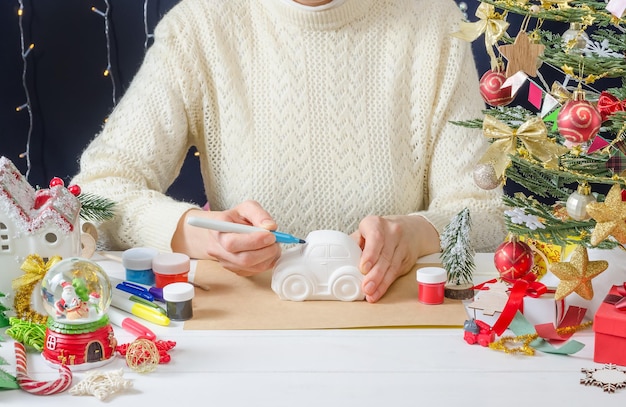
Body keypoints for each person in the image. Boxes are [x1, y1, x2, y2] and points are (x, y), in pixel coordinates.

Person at [72, 0, 506, 303]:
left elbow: (484, 213)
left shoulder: (433, 22)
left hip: (393, 333)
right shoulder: (200, 26)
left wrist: (417, 233)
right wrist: (192, 232)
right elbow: (92, 194)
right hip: (246, 338)